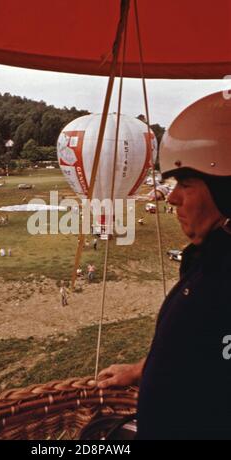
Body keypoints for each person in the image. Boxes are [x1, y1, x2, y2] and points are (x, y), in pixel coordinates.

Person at [97, 91, 231, 440]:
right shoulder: (205, 261)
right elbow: (200, 353)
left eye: (186, 184)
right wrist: (144, 369)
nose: (171, 198)